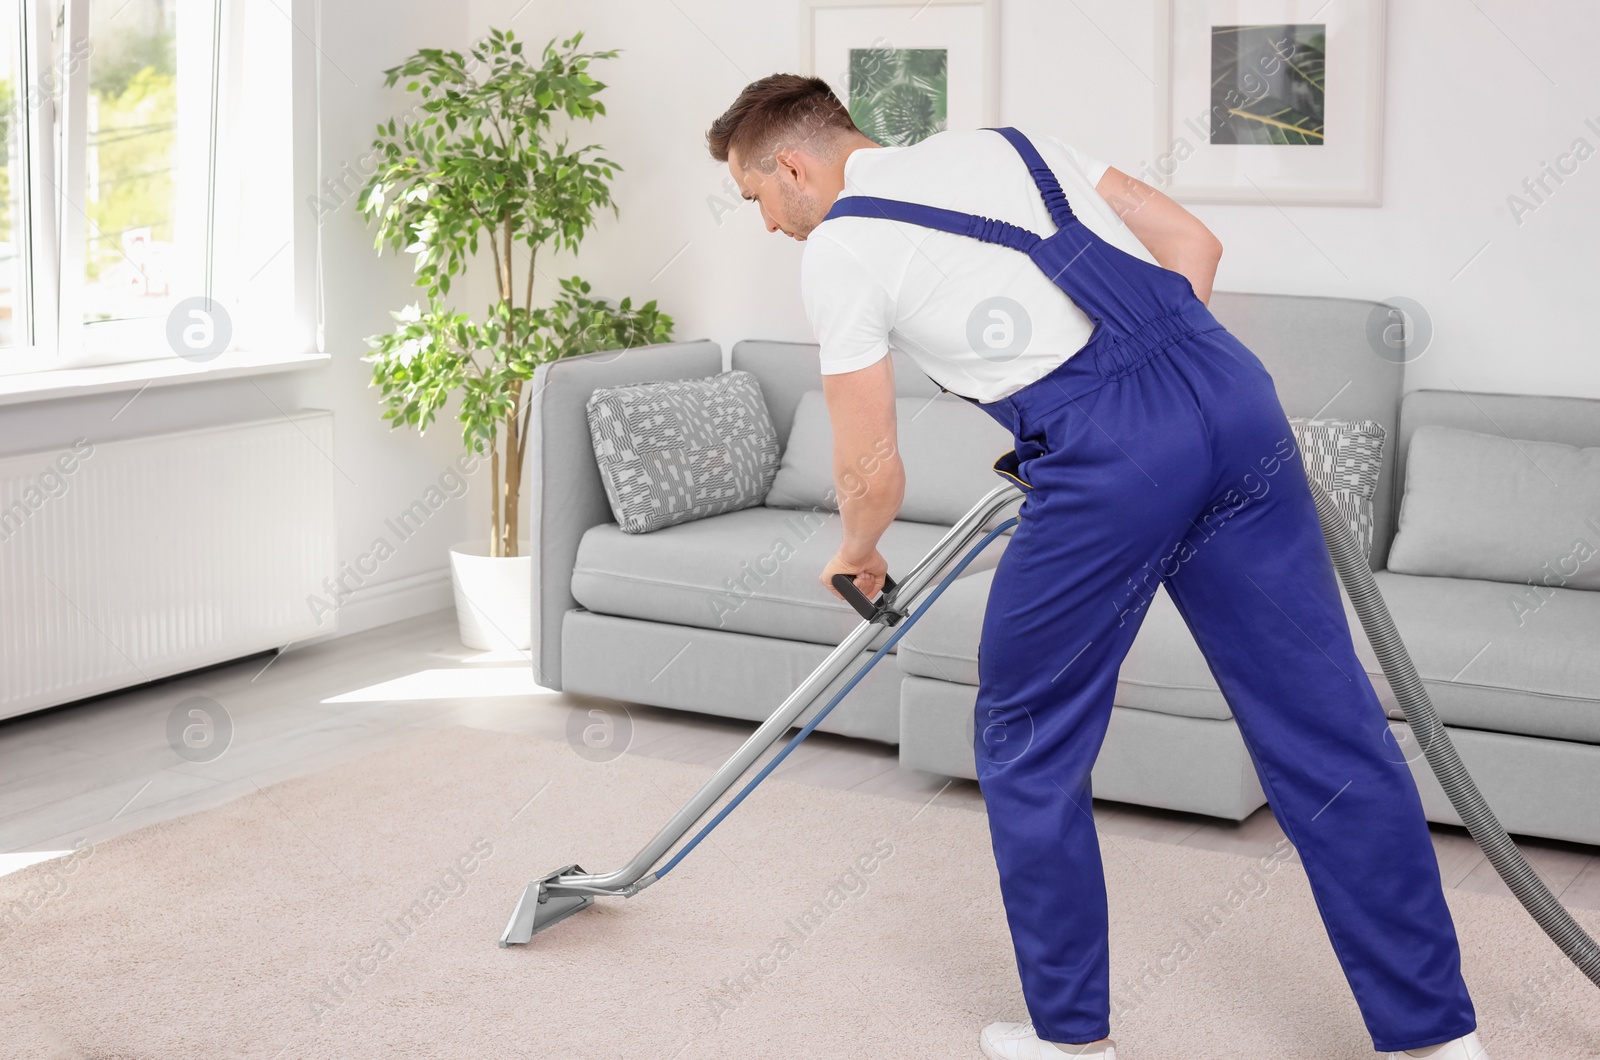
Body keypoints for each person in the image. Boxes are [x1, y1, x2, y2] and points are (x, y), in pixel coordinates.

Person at [704, 74, 1490, 1060]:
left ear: (791, 165)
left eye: (758, 200)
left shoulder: (841, 248)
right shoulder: (1013, 143)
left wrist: (856, 553)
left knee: (1026, 735)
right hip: (1234, 399)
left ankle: (1069, 1040)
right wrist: (1165, 386)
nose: (770, 223)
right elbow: (1194, 246)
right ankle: (1435, 1040)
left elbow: (868, 466)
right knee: (1325, 727)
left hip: (1111, 459)